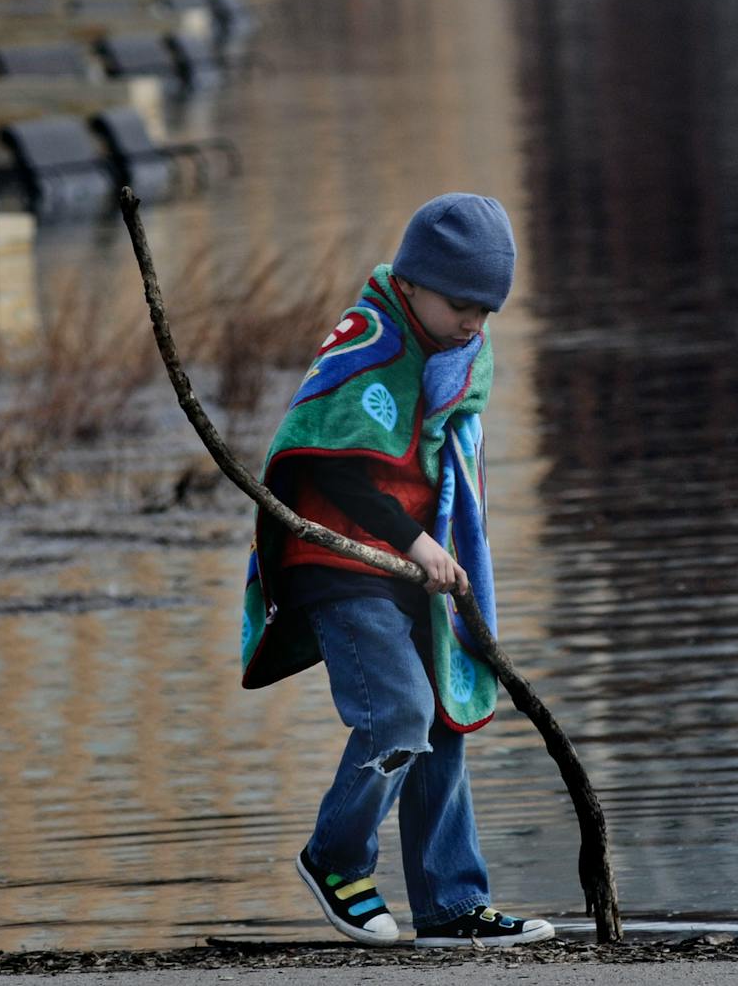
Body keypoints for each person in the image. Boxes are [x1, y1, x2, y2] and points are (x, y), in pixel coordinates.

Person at [238, 193, 556, 948]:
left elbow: (448, 466)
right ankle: (335, 856)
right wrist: (418, 545)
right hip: (339, 561)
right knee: (400, 713)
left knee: (443, 718)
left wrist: (441, 552)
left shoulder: (454, 351)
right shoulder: (370, 340)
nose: (474, 322)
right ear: (411, 282)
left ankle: (451, 904)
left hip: (413, 568)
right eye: (460, 304)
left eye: (487, 309)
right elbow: (344, 470)